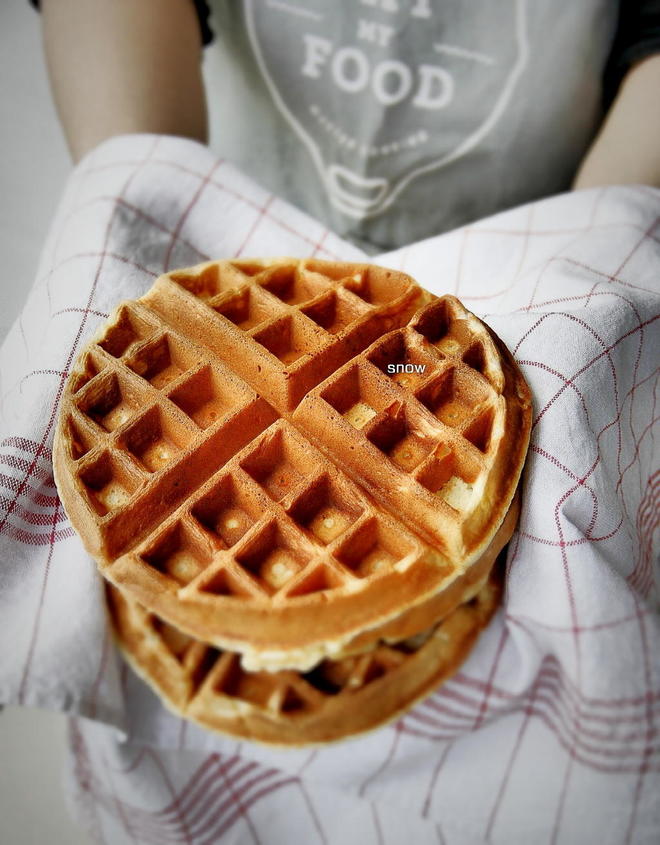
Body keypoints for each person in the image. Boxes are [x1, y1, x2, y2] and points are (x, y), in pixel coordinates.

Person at [37, 0, 660, 252]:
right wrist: (152, 217)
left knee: (405, 371)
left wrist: (578, 273)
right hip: (220, 232)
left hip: (515, 263)